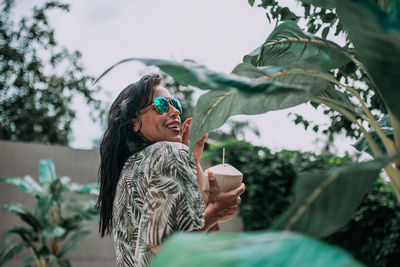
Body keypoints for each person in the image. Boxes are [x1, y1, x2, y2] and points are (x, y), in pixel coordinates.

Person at [97, 74, 245, 267]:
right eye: (161, 105)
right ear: (134, 123)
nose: (175, 111)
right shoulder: (169, 152)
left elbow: (204, 231)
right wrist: (215, 213)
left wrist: (192, 162)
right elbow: (166, 247)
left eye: (175, 104)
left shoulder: (130, 167)